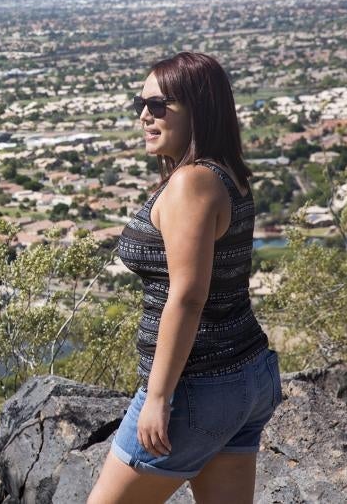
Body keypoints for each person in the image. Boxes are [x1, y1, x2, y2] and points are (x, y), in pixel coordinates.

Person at [87, 52, 282, 504]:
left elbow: (188, 297)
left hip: (198, 385)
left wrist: (158, 398)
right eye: (141, 103)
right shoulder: (227, 173)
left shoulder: (192, 182)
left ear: (199, 107)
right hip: (247, 376)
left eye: (158, 105)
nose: (144, 116)